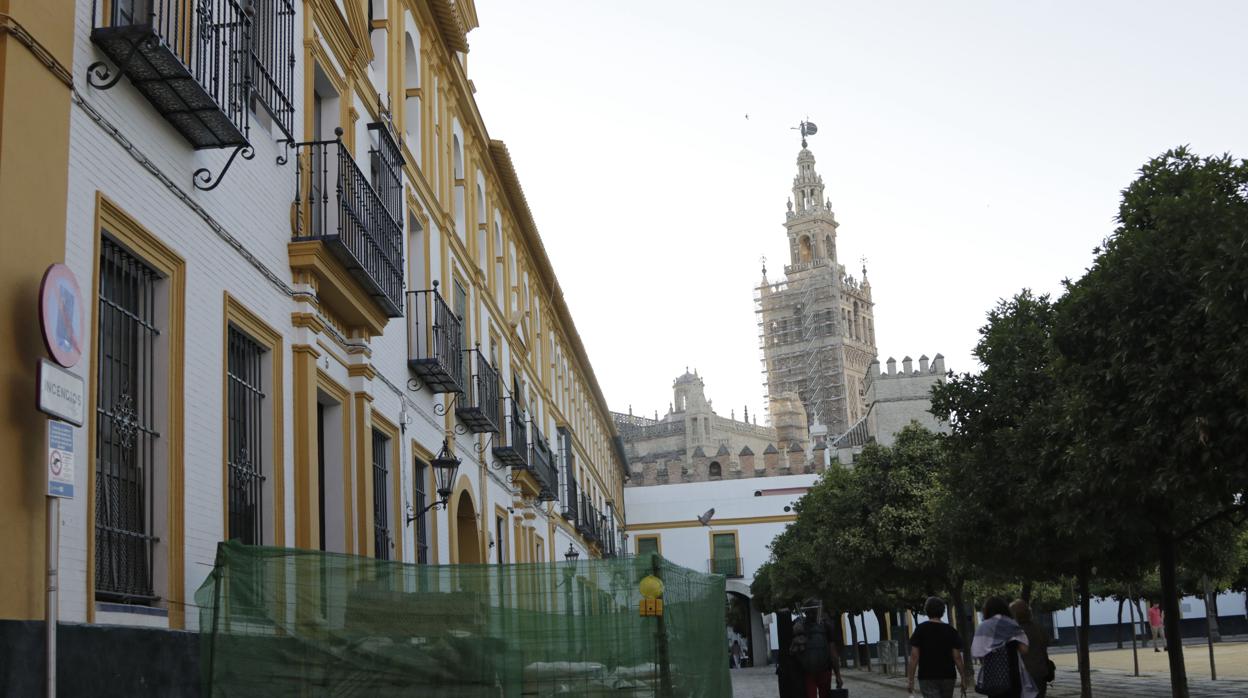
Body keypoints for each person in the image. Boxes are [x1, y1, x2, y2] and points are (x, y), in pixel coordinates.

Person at [906, 596, 970, 698]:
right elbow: (957, 657)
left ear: (927, 611)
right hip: (948, 676)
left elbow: (914, 657)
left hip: (927, 676)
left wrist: (910, 680)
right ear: (942, 611)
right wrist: (963, 677)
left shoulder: (920, 629)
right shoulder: (951, 630)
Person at [971, 597, 1029, 698]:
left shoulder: (983, 627)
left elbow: (977, 652)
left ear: (987, 610)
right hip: (1013, 675)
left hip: (993, 676)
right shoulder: (1012, 624)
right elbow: (1024, 649)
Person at [791, 608, 845, 698]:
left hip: (807, 672)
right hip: (824, 670)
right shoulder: (827, 626)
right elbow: (833, 654)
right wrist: (838, 676)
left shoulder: (800, 626)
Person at [1010, 599, 1051, 698]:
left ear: (1015, 614)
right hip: (1039, 672)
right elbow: (1046, 644)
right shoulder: (1038, 628)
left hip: (1021, 675)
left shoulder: (1013, 631)